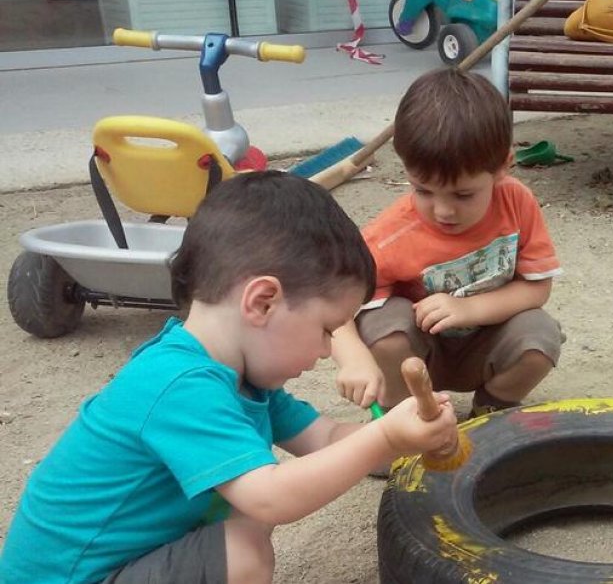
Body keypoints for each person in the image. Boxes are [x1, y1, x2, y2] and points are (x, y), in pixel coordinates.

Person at [0, 171, 458, 583]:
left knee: (241, 518)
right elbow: (273, 498)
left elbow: (325, 438)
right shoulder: (180, 385)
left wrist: (405, 435)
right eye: (325, 328)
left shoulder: (244, 378)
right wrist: (384, 439)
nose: (325, 351)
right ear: (262, 302)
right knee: (243, 548)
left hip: (127, 560)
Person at [332, 67, 563, 419]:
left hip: (487, 343)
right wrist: (353, 358)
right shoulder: (390, 234)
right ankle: (400, 423)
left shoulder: (517, 203)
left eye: (463, 194)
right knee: (385, 330)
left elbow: (536, 290)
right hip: (417, 357)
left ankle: (490, 413)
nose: (443, 211)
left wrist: (467, 310)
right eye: (423, 190)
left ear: (504, 166)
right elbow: (334, 306)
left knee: (540, 337)